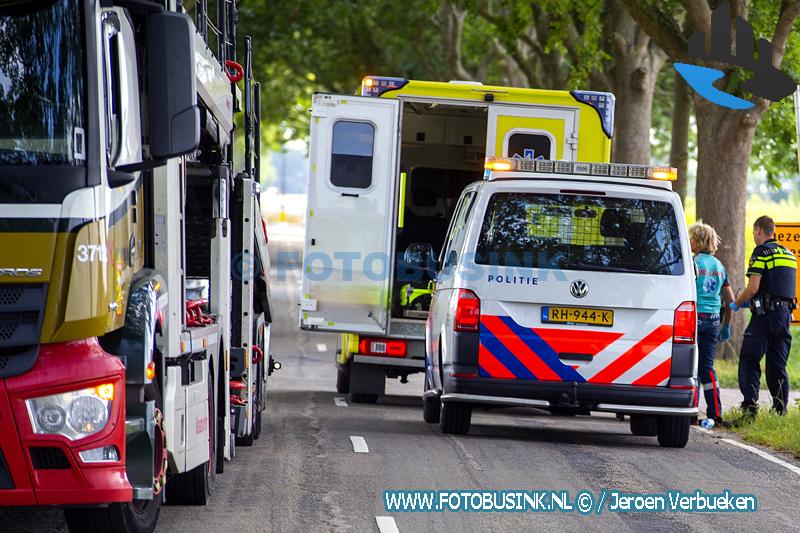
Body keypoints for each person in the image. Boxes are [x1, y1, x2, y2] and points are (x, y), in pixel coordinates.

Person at [730, 215, 797, 415]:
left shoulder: (761, 253)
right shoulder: (789, 254)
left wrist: (736, 304)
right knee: (777, 365)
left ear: (759, 230)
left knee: (749, 358)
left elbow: (753, 288)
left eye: (754, 233)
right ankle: (779, 410)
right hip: (784, 317)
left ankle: (749, 407)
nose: (754, 237)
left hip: (764, 317)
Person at [689, 222, 734, 423]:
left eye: (691, 238)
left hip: (694, 320)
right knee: (707, 367)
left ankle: (690, 411)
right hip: (714, 320)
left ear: (698, 242)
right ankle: (715, 412)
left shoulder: (693, 264)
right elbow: (731, 302)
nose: (688, 241)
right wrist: (726, 326)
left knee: (691, 366)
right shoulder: (720, 266)